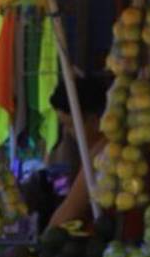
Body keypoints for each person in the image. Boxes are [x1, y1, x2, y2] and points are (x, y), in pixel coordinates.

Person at [46, 75, 109, 228]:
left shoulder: (102, 153)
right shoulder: (97, 150)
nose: (67, 132)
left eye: (69, 125)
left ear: (94, 121)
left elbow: (70, 211)